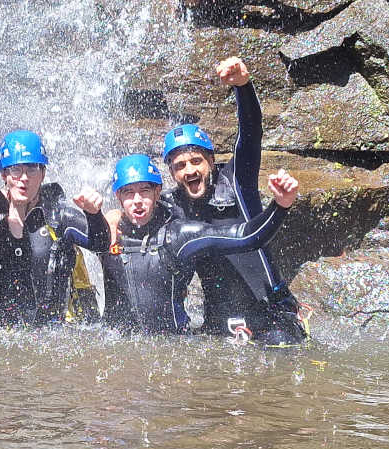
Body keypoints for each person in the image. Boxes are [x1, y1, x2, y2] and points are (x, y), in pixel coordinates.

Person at [161, 57, 307, 345]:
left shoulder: (236, 181)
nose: (189, 170)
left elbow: (250, 134)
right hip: (218, 318)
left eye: (196, 161)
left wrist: (243, 86)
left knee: (279, 351)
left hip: (270, 310)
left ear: (211, 161)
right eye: (180, 165)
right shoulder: (171, 206)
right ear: (171, 172)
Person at [99, 154, 299, 337]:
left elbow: (249, 237)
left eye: (144, 191)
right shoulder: (105, 235)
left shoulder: (179, 234)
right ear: (118, 196)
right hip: (118, 342)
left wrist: (281, 206)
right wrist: (99, 218)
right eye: (128, 192)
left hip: (175, 346)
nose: (137, 200)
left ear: (157, 191)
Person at [0, 130, 109, 326]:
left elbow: (100, 244)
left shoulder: (59, 217)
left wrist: (94, 214)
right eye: (16, 169)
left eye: (32, 169)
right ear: (4, 175)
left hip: (52, 334)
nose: (24, 178)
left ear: (43, 174)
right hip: (1, 334)